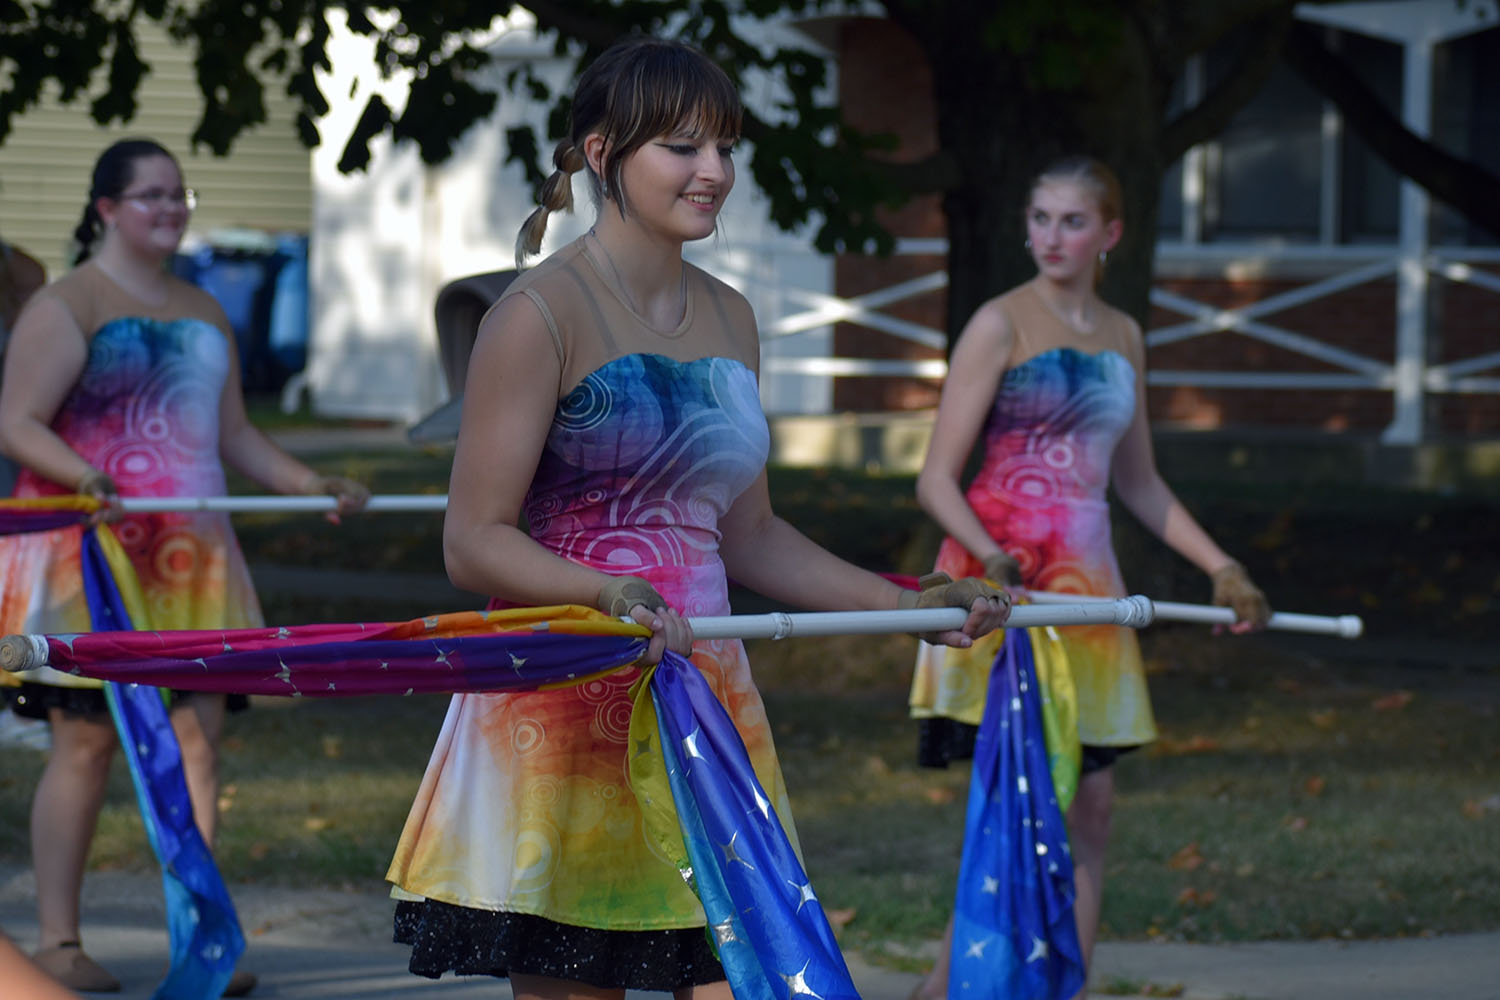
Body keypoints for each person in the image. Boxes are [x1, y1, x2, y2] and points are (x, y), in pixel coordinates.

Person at [385, 36, 1010, 1000]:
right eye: (684, 146)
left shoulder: (733, 317)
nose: (714, 171)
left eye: (725, 147)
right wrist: (601, 588)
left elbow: (751, 536)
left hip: (706, 707)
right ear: (602, 156)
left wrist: (911, 602)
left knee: (745, 978)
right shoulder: (536, 315)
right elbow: (472, 541)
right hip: (561, 710)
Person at [0, 138, 369, 996]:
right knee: (86, 743)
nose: (170, 208)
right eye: (151, 195)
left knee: (200, 743)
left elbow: (233, 434)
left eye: (180, 194)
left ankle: (203, 938)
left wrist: (310, 481)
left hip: (193, 560)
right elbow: (16, 421)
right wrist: (86, 476)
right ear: (106, 209)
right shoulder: (70, 304)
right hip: (90, 560)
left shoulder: (205, 313)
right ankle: (58, 944)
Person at [906, 156, 1272, 1000]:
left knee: (1093, 812)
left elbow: (1138, 482)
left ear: (1110, 233)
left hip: (1089, 596)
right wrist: (988, 555)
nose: (1051, 237)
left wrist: (1223, 567)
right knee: (1016, 809)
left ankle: (1063, 986)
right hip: (997, 600)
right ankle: (941, 992)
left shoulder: (1125, 335)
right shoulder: (999, 324)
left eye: (1072, 221)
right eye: (1040, 217)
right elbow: (934, 479)